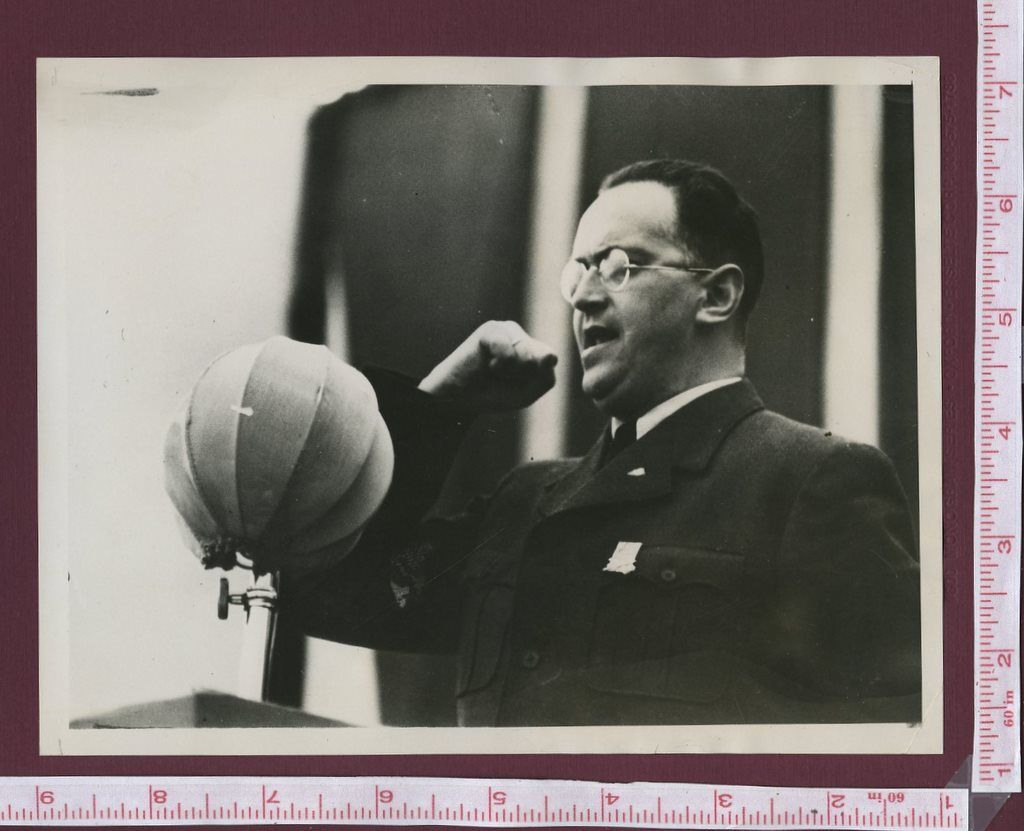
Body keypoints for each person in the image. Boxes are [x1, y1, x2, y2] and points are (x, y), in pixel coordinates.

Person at [283, 159, 921, 726]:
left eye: (618, 266)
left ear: (718, 294)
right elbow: (336, 591)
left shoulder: (809, 480)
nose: (585, 297)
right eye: (578, 272)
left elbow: (905, 740)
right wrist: (440, 407)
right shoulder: (523, 503)